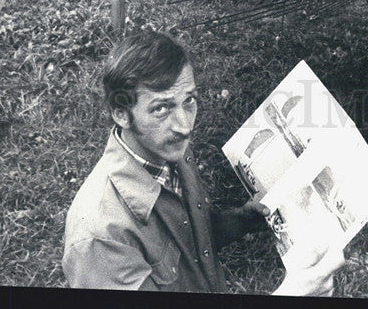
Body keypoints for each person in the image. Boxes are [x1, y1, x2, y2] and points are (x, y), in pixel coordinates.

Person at [63, 29, 344, 295]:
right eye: (161, 108)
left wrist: (240, 220)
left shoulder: (167, 151)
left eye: (189, 100)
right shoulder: (99, 236)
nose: (184, 125)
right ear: (121, 114)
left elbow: (186, 240)